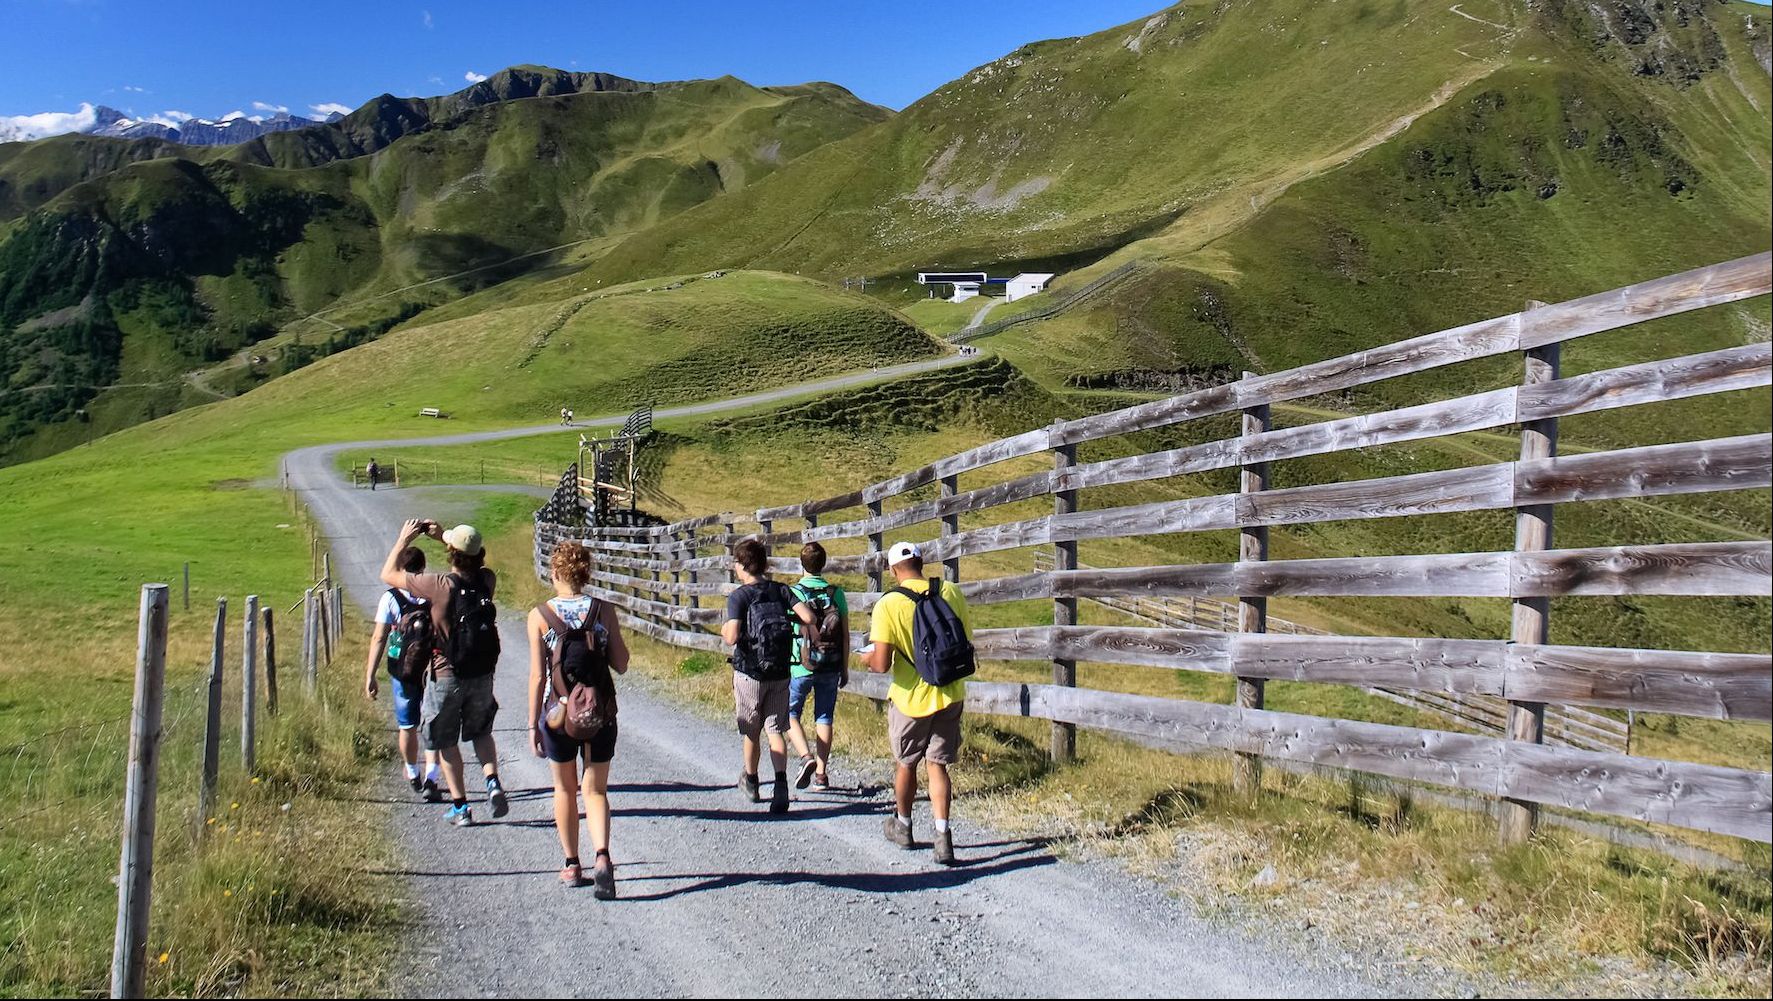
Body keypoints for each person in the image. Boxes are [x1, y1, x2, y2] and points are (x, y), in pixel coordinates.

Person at [380, 519, 507, 827]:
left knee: (446, 740)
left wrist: (404, 539)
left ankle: (461, 807)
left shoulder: (440, 586)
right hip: (481, 674)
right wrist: (445, 536)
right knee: (481, 732)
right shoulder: (486, 581)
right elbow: (472, 563)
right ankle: (492, 780)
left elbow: (388, 574)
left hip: (446, 674)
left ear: (452, 553)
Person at [527, 541, 628, 896]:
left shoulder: (540, 615)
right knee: (595, 790)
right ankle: (602, 856)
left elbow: (537, 676)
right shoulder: (603, 610)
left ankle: (572, 864)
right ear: (586, 574)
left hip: (558, 712)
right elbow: (621, 663)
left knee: (564, 788)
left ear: (555, 573)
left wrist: (532, 724)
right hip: (600, 710)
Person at [863, 541, 972, 865]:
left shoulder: (889, 603)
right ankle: (943, 837)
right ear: (922, 562)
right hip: (949, 691)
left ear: (892, 570)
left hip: (910, 698)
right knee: (937, 765)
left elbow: (881, 664)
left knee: (906, 763)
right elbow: (965, 639)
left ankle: (904, 826)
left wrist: (866, 658)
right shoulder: (950, 591)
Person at [721, 538, 814, 814]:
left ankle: (751, 780)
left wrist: (725, 628)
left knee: (751, 731)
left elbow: (732, 637)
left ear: (743, 565)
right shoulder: (781, 590)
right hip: (781, 671)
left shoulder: (740, 596)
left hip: (750, 673)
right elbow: (808, 616)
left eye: (736, 563)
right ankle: (781, 785)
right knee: (776, 730)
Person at [363, 545, 442, 800]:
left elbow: (379, 637)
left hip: (402, 669)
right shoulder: (434, 594)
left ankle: (412, 772)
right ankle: (432, 778)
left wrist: (370, 675)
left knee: (407, 725)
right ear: (423, 568)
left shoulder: (390, 598)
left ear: (400, 569)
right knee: (432, 722)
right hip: (432, 667)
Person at [785, 542, 848, 790]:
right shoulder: (836, 593)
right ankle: (821, 774)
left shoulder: (795, 593)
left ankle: (806, 756)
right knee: (824, 716)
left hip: (801, 665)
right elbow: (845, 635)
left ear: (801, 564)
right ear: (824, 563)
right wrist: (844, 667)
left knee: (789, 713)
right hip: (830, 663)